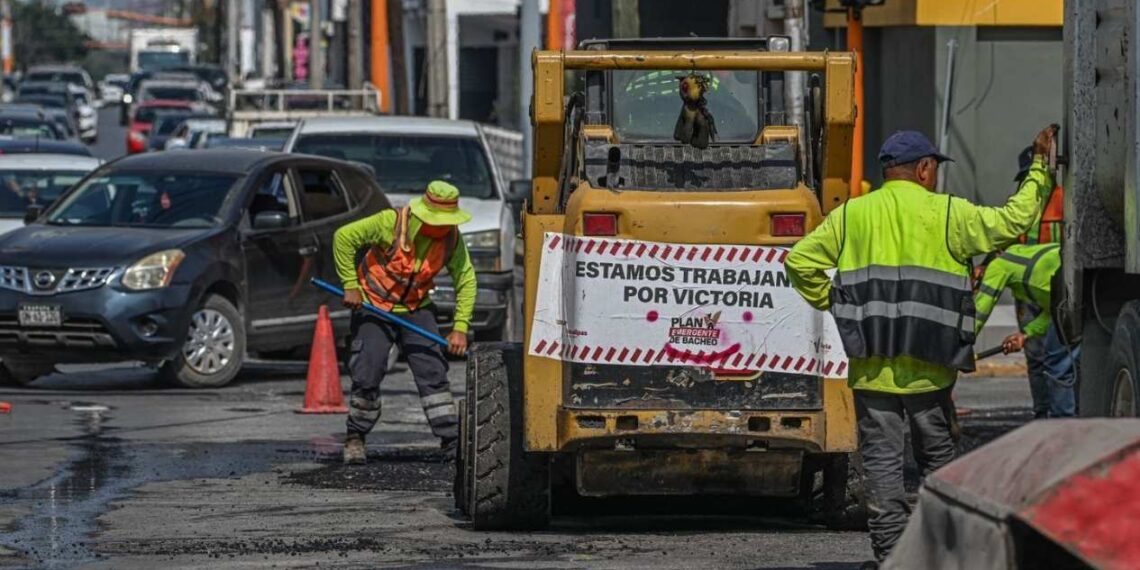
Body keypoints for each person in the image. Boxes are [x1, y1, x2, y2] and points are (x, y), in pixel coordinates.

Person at [784, 126, 1057, 567]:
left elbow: (799, 261)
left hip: (873, 368)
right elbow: (1015, 220)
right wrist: (1040, 168)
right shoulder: (949, 214)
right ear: (926, 169)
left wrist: (837, 303)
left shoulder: (853, 214)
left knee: (883, 467)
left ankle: (892, 557)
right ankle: (942, 555)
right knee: (941, 465)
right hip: (931, 368)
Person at [333, 180, 476, 465]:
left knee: (433, 372)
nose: (446, 226)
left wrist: (460, 327)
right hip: (374, 305)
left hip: (415, 307)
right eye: (441, 221)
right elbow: (343, 238)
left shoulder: (451, 238)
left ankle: (451, 442)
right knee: (367, 370)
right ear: (425, 216)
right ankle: (355, 436)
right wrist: (351, 285)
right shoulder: (390, 222)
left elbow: (466, 278)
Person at [973, 243, 1076, 417]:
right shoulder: (1020, 260)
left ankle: (1063, 424)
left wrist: (958, 346)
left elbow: (979, 313)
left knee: (1057, 364)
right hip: (1072, 292)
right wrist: (1026, 334)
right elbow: (1051, 310)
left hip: (1072, 292)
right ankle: (1065, 419)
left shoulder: (998, 265)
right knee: (1064, 364)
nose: (975, 285)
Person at [1011, 146, 1067, 418]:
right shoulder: (1020, 204)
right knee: (1035, 356)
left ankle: (1059, 412)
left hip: (1054, 289)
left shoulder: (1065, 199)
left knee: (1058, 355)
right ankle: (1042, 412)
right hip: (1027, 292)